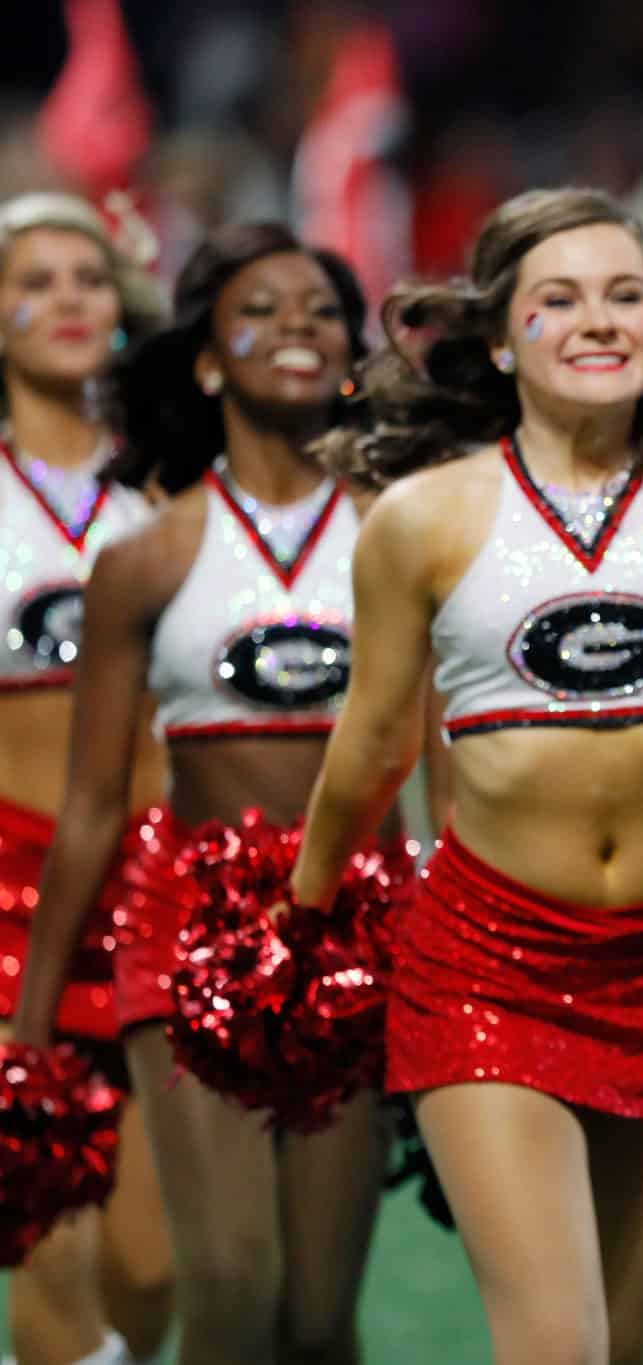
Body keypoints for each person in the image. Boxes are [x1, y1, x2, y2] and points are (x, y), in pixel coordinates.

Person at [288, 187, 643, 1365]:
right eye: (557, 300)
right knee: (556, 1343)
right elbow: (372, 745)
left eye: (623, 295)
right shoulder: (423, 516)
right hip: (487, 968)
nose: (597, 320)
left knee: (625, 1346)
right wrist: (301, 923)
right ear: (502, 338)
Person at [13, 222, 388, 1365]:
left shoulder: (403, 535)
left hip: (352, 931)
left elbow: (425, 780)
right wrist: (29, 1031)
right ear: (210, 361)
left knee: (315, 1319)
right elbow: (93, 804)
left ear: (351, 356)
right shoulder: (147, 557)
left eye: (319, 312)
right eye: (258, 312)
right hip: (182, 933)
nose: (294, 329)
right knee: (225, 1279)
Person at [0, 192, 173, 1365]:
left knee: (150, 1269)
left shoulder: (171, 490)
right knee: (46, 1246)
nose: (67, 299)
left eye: (89, 278)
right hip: (5, 899)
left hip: (152, 895)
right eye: (35, 280)